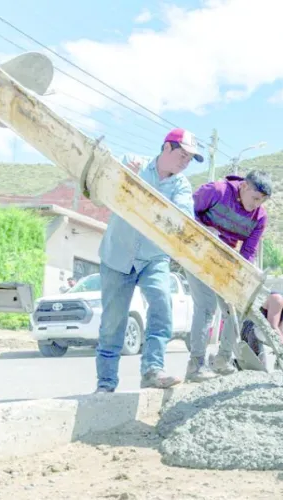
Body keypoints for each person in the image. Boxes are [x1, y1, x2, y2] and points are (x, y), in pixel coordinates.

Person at [94, 128, 203, 392]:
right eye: (183, 155)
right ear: (167, 148)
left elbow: (183, 217)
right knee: (113, 322)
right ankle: (106, 383)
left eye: (190, 159)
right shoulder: (133, 163)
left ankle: (153, 370)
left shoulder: (180, 185)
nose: (185, 162)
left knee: (161, 307)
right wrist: (124, 176)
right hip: (117, 256)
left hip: (153, 257)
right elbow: (105, 184)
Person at [184, 171, 272, 382]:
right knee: (206, 307)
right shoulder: (216, 191)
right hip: (197, 251)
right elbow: (184, 211)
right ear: (243, 186)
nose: (257, 205)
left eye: (262, 201)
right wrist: (205, 229)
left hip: (226, 262)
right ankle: (196, 364)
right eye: (255, 198)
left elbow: (248, 251)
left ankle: (223, 359)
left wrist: (241, 276)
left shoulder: (260, 217)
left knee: (236, 308)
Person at [239, 289, 283, 367]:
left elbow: (280, 331)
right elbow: (272, 326)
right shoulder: (278, 299)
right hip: (250, 330)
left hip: (259, 334)